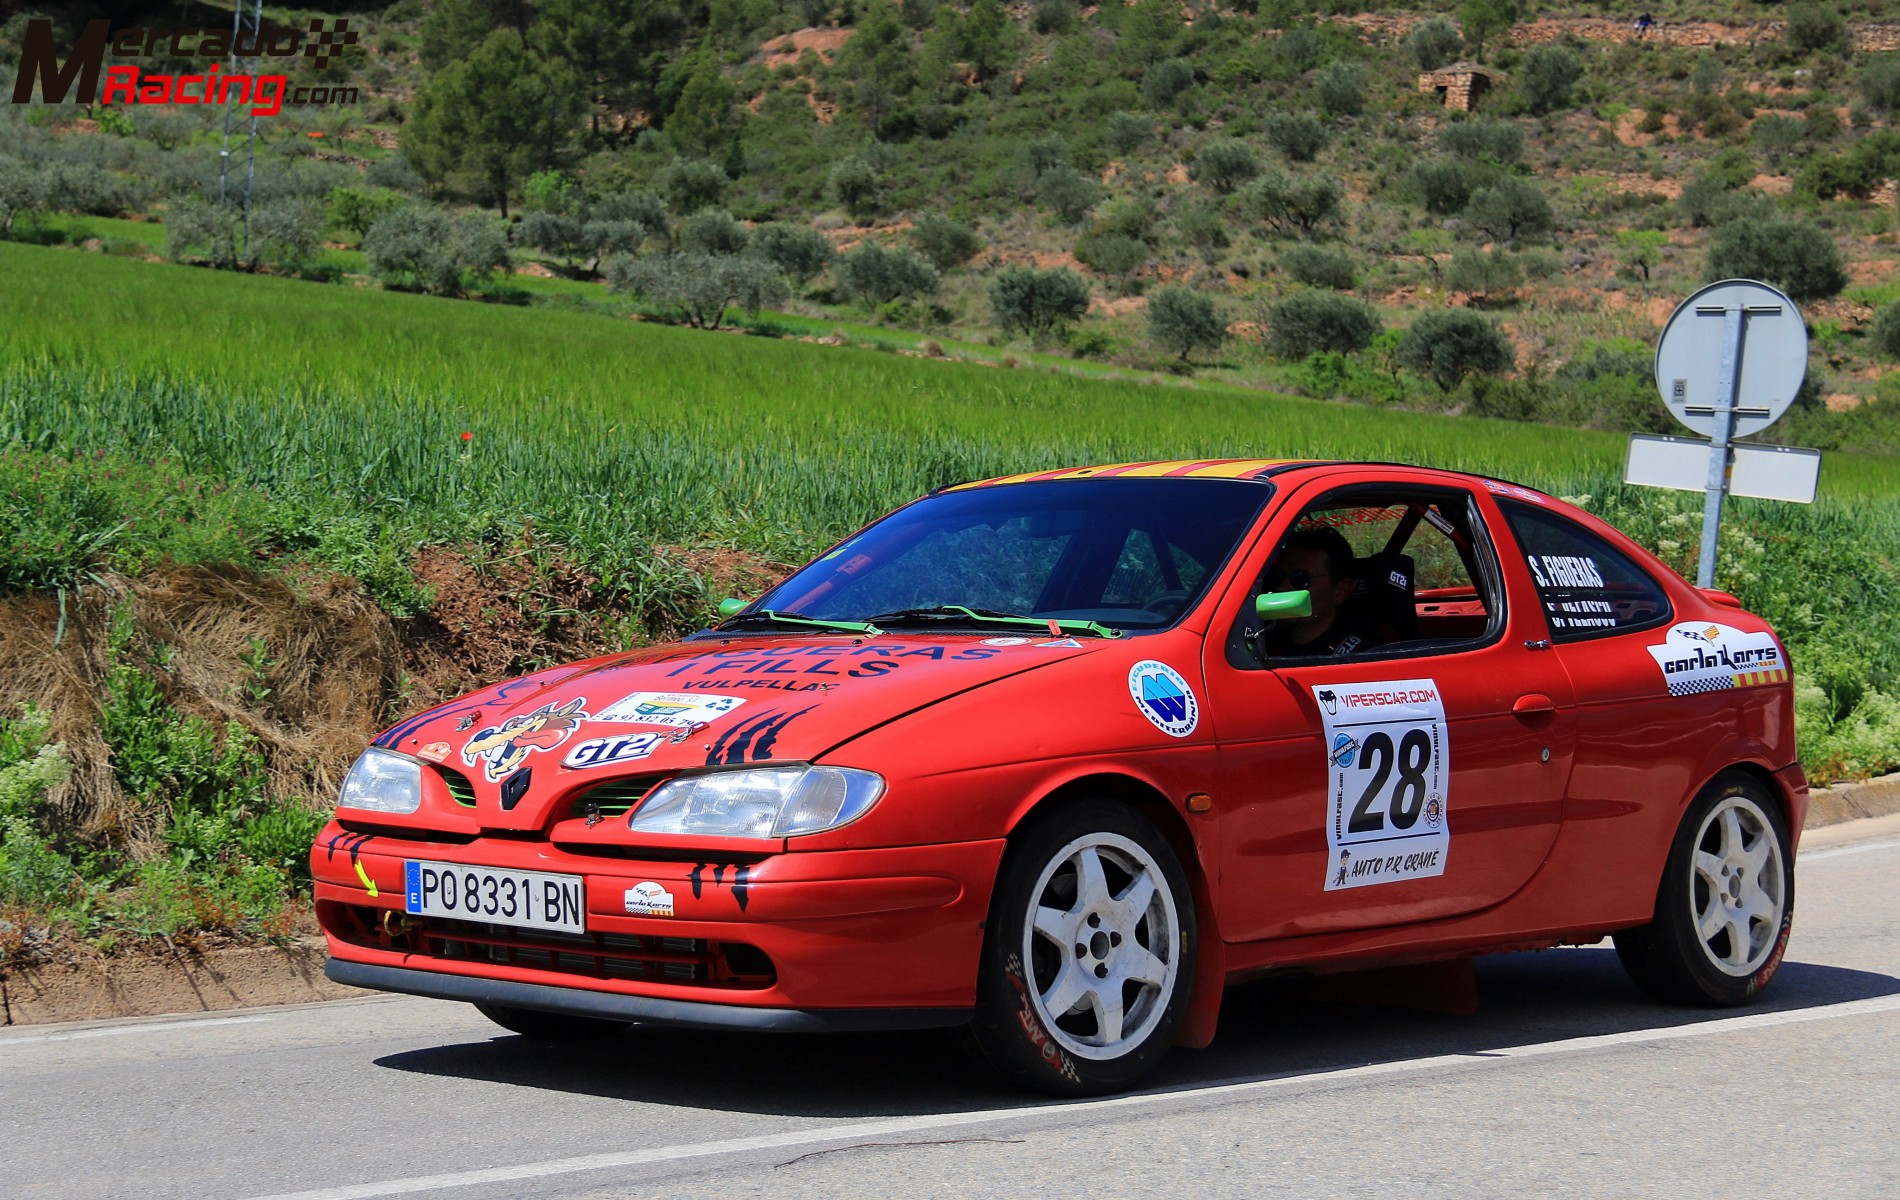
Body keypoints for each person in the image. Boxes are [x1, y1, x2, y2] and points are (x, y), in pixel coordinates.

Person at [1259, 526, 1370, 657]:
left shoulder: (1356, 657)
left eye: (1300, 578)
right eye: (1277, 575)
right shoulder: (1258, 640)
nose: (1283, 586)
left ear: (1340, 592)